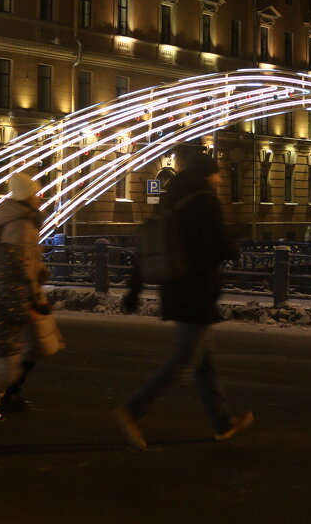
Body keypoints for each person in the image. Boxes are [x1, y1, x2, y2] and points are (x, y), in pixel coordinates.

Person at [115, 150, 253, 449]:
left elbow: (149, 244)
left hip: (175, 286)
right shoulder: (204, 200)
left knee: (203, 362)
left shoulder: (171, 198)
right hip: (196, 289)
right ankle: (134, 410)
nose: (219, 179)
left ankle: (222, 420)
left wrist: (134, 289)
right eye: (216, 174)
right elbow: (218, 247)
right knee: (185, 359)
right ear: (207, 174)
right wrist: (236, 236)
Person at [0, 172, 62, 420]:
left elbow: (24, 257)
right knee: (31, 346)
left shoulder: (19, 219)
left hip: (20, 289)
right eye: (36, 194)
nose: (39, 198)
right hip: (21, 291)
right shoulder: (20, 222)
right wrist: (33, 288)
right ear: (27, 196)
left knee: (23, 348)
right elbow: (19, 259)